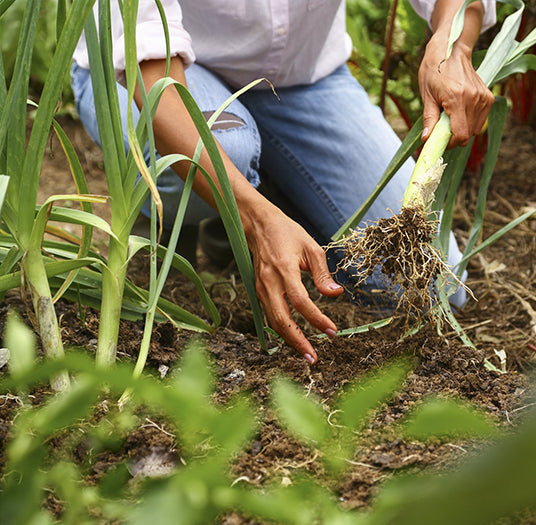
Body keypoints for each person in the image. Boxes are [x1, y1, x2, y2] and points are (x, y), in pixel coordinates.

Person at [71, 0, 496, 365]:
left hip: (301, 84)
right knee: (228, 149)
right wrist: (256, 220)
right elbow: (151, 73)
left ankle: (261, 198)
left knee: (427, 286)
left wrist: (452, 46)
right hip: (147, 74)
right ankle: (178, 229)